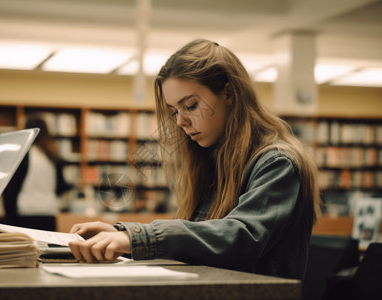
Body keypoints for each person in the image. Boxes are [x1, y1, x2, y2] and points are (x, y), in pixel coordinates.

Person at [68, 39, 322, 280]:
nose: (180, 121)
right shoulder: (213, 158)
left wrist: (138, 237)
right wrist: (121, 235)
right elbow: (203, 240)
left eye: (190, 106)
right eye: (174, 111)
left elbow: (240, 236)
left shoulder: (276, 162)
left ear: (229, 93)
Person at [3, 115, 72, 231]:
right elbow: (61, 187)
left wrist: (9, 215)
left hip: (25, 211)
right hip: (48, 212)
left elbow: (11, 188)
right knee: (47, 248)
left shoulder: (23, 154)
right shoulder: (52, 156)